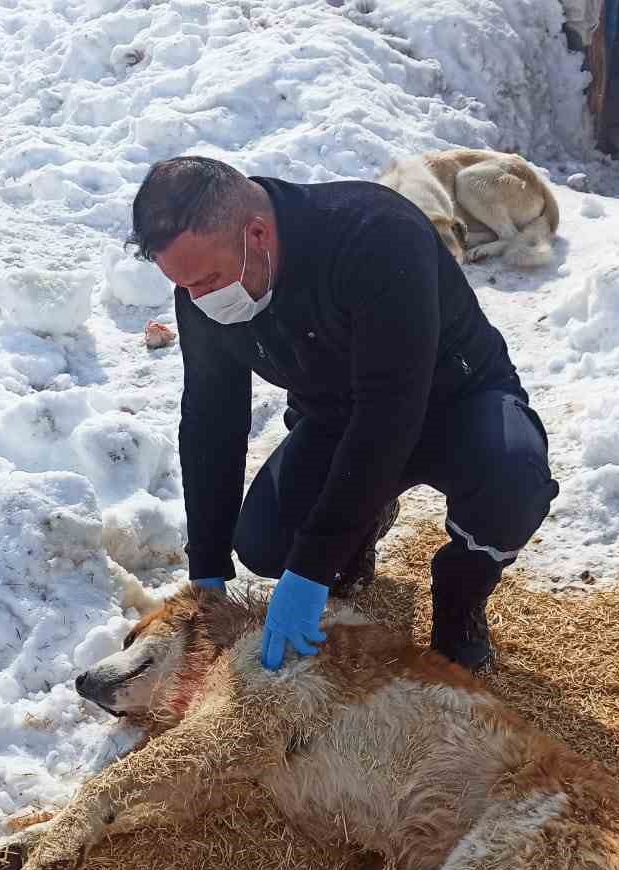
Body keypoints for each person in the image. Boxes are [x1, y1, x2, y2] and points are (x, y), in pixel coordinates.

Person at [130, 155, 558, 672]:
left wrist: (312, 567)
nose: (196, 300)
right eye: (183, 285)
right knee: (265, 546)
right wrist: (208, 567)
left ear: (258, 235)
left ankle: (459, 601)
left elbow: (390, 411)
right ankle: (363, 527)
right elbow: (211, 418)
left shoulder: (376, 236)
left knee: (513, 481)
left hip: (455, 402)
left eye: (207, 279)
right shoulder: (206, 287)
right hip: (337, 417)